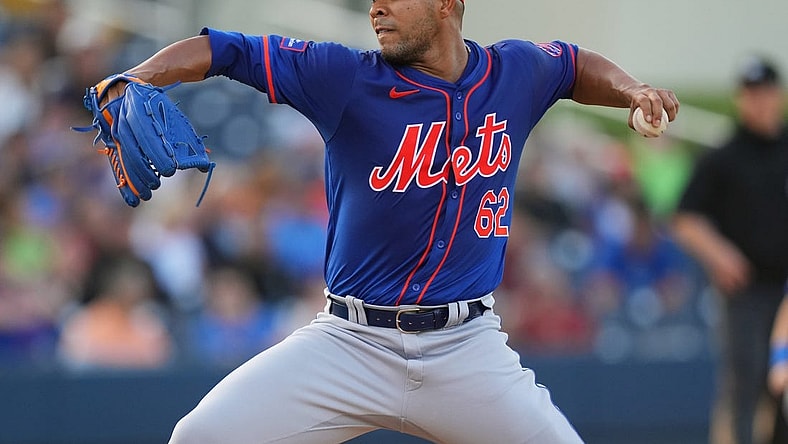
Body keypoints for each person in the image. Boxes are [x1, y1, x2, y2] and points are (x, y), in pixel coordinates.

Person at [92, 1, 679, 442]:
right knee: (199, 438)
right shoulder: (345, 77)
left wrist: (632, 90)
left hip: (466, 349)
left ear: (448, 3)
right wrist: (138, 78)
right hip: (350, 342)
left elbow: (573, 66)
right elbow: (227, 50)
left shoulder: (514, 72)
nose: (376, 7)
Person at [672, 56, 788, 444]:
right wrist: (720, 253)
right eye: (751, 94)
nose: (760, 101)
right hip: (746, 291)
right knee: (745, 384)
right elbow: (685, 218)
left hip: (785, 290)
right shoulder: (725, 157)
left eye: (766, 92)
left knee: (780, 385)